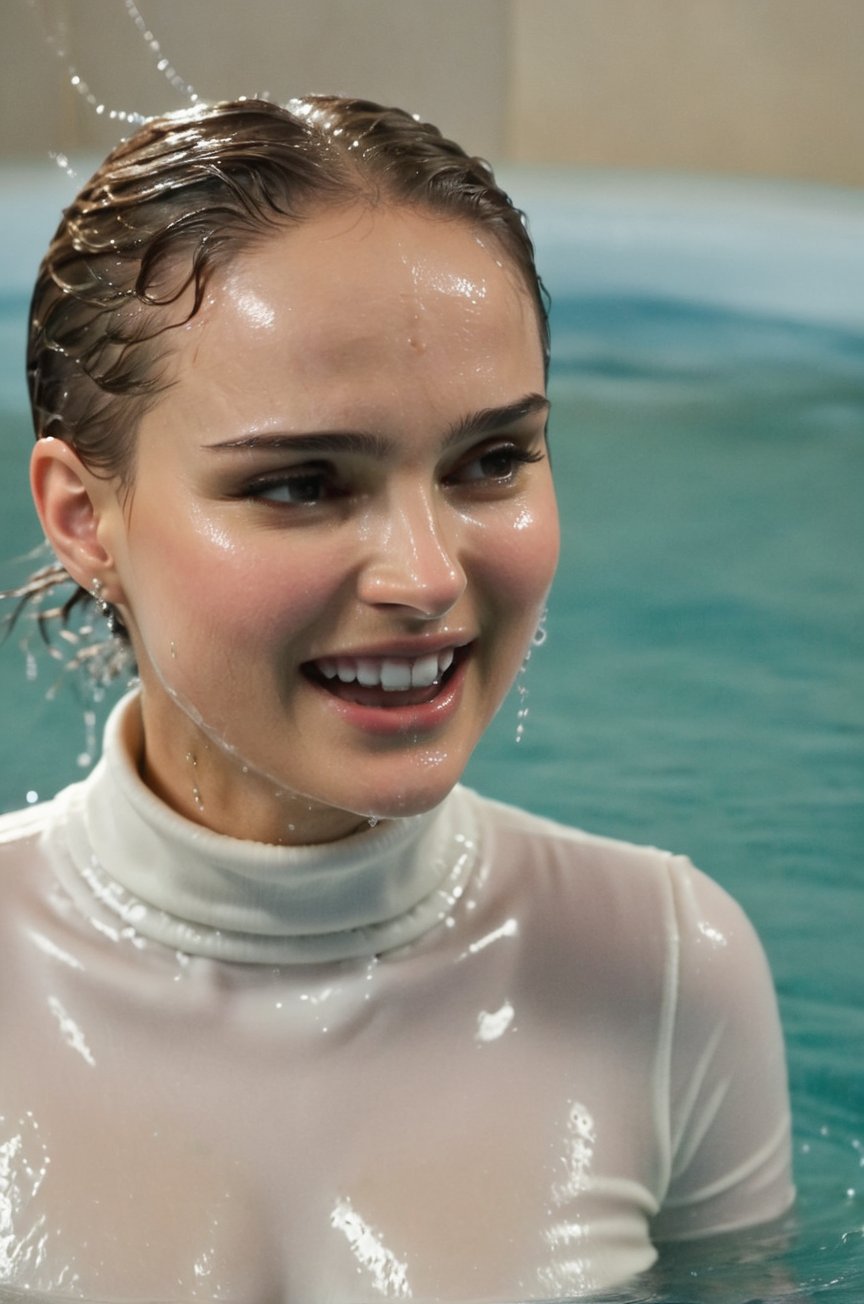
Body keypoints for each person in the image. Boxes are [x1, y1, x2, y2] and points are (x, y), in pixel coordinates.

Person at [0, 97, 793, 1301]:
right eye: (303, 483)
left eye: (491, 461)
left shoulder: (669, 966)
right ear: (82, 519)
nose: (426, 578)